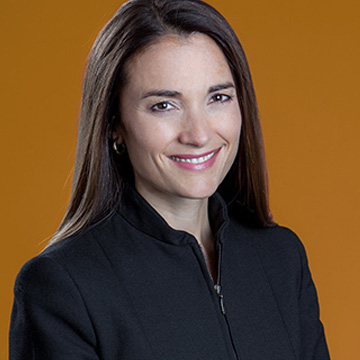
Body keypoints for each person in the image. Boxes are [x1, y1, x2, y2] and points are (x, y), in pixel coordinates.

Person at [9, 0, 330, 359]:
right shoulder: (62, 287)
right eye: (164, 105)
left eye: (218, 97)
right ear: (114, 123)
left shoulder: (281, 258)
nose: (198, 134)